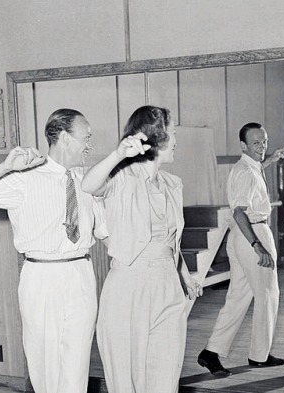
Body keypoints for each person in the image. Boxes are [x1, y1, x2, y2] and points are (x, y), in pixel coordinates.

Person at [0, 109, 107, 393]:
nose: (90, 145)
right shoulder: (25, 179)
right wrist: (5, 167)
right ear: (63, 137)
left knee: (77, 363)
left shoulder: (87, 180)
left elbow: (106, 232)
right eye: (86, 137)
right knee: (46, 364)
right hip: (42, 276)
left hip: (82, 273)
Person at [81, 105, 202, 393]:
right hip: (128, 286)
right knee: (127, 379)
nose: (176, 141)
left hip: (167, 286)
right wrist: (118, 154)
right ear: (157, 139)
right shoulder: (121, 177)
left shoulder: (173, 184)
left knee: (165, 376)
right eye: (173, 134)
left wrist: (184, 275)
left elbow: (170, 241)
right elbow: (88, 185)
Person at [197, 122, 284, 377]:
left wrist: (271, 158)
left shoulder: (248, 166)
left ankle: (211, 352)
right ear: (243, 146)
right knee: (268, 294)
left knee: (238, 297)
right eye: (257, 143)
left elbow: (257, 166)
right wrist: (257, 246)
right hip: (252, 232)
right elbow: (239, 212)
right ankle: (259, 355)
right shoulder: (246, 173)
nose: (262, 147)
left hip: (240, 237)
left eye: (264, 141)